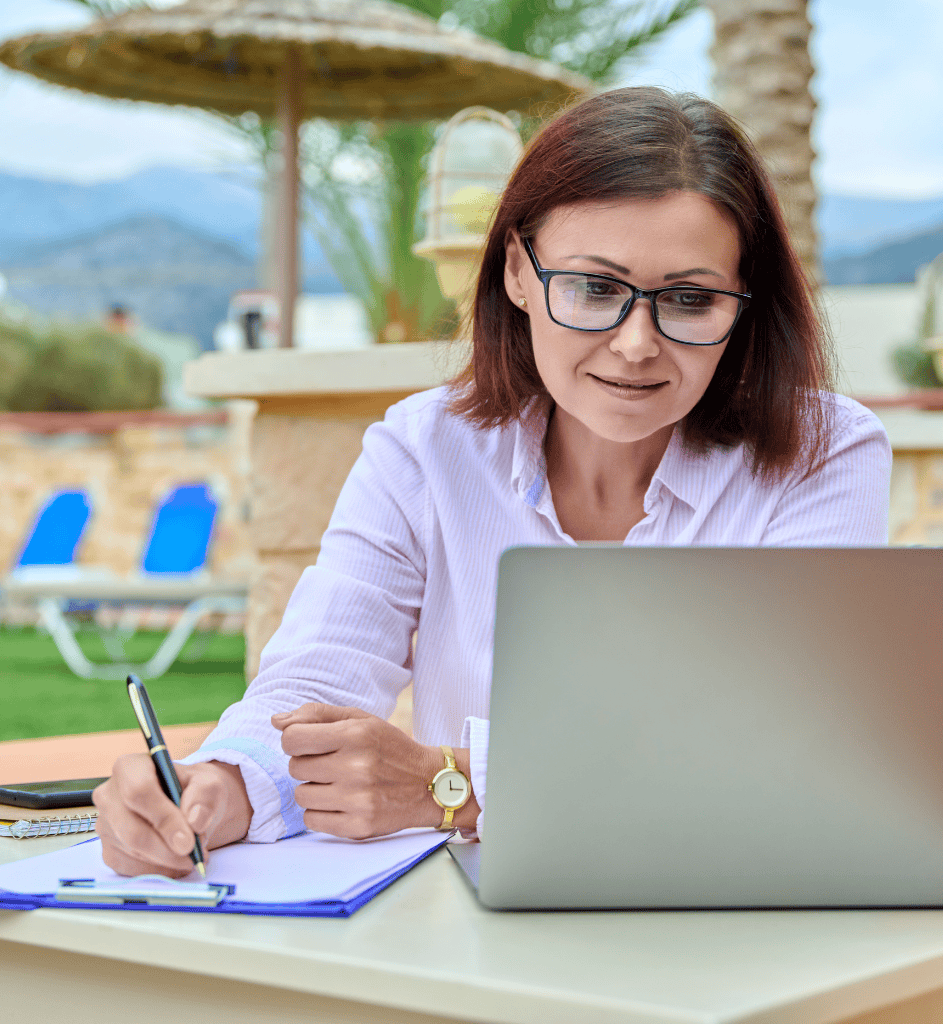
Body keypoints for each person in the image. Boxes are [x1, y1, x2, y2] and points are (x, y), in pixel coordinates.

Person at [93, 87, 891, 878]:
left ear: (743, 304)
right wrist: (220, 787)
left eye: (689, 299)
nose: (636, 343)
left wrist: (454, 787)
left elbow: (786, 752)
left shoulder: (824, 454)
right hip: (471, 932)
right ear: (517, 271)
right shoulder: (423, 449)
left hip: (731, 922)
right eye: (595, 288)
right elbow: (315, 679)